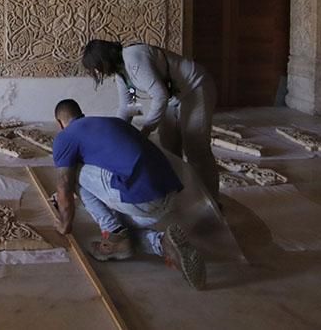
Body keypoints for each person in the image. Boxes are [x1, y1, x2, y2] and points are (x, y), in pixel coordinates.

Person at [51, 99, 206, 290]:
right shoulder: (110, 122)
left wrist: (65, 224)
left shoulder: (65, 137)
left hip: (142, 197)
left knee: (74, 173)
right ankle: (163, 244)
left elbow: (64, 185)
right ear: (81, 114)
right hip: (169, 195)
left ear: (59, 123)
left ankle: (113, 232)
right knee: (123, 234)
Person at [81, 39, 219, 203]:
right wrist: (117, 133)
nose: (98, 72)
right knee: (169, 146)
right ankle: (181, 197)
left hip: (195, 88)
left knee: (195, 148)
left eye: (97, 67)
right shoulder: (122, 74)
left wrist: (145, 131)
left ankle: (211, 201)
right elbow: (130, 106)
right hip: (173, 97)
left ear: (103, 59)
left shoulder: (133, 58)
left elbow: (160, 96)